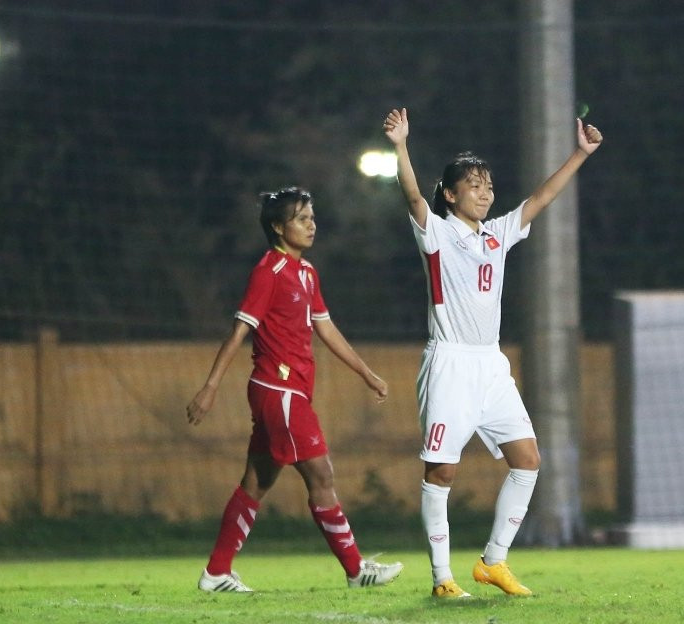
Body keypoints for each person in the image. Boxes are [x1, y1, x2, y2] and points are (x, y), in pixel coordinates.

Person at [382, 107, 602, 598]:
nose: (485, 192)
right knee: (441, 472)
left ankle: (493, 561)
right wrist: (401, 147)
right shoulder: (436, 232)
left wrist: (580, 154)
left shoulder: (497, 234)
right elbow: (413, 195)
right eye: (474, 185)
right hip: (451, 363)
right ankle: (442, 578)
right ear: (451, 193)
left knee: (528, 460)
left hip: (491, 365)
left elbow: (542, 197)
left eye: (488, 185)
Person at [186, 186, 403, 592]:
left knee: (256, 481)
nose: (311, 224)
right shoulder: (268, 271)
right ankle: (357, 570)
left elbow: (326, 327)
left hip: (292, 392)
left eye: (312, 216)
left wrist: (365, 372)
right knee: (321, 474)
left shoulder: (307, 272)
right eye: (301, 218)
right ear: (277, 226)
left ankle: (216, 571)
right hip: (278, 389)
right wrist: (210, 387)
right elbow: (239, 331)